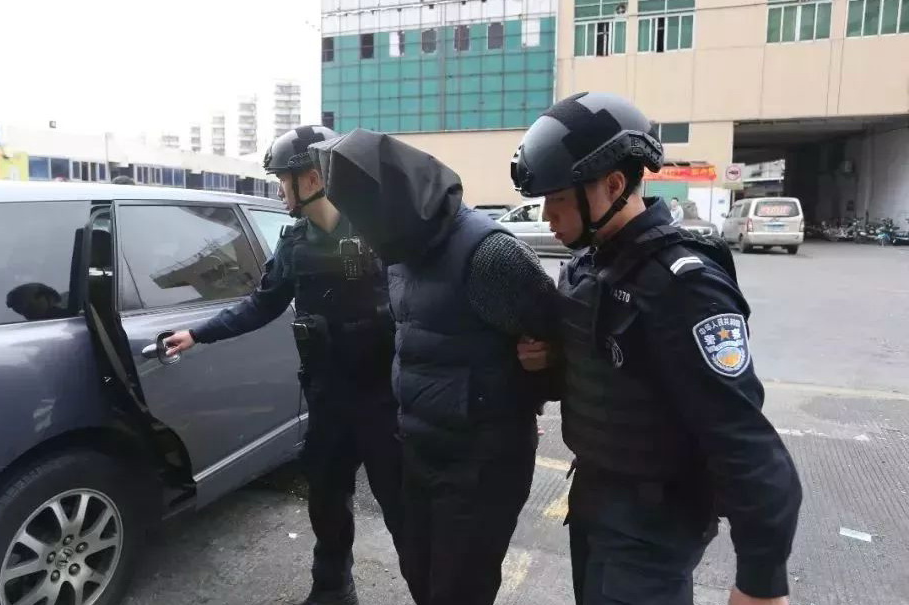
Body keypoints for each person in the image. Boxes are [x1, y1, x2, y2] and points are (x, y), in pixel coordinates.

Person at [510, 92, 802, 605]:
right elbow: (608, 379)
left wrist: (761, 581)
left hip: (653, 524)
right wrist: (552, 362)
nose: (547, 215)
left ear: (613, 185)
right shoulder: (588, 268)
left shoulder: (683, 286)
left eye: (558, 199)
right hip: (595, 499)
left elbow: (744, 439)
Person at [308, 130, 561, 605]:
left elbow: (562, 340)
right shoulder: (401, 253)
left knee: (458, 590)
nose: (361, 233)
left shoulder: (490, 254)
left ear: (397, 207)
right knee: (420, 575)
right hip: (420, 451)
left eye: (366, 219)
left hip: (480, 464)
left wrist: (533, 385)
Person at [163, 126, 403, 605]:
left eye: (282, 180)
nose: (278, 191)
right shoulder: (294, 243)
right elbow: (262, 304)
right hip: (328, 399)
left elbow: (428, 305)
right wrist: (199, 333)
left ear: (312, 179)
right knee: (327, 503)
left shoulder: (380, 232)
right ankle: (332, 589)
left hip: (385, 402)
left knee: (405, 509)